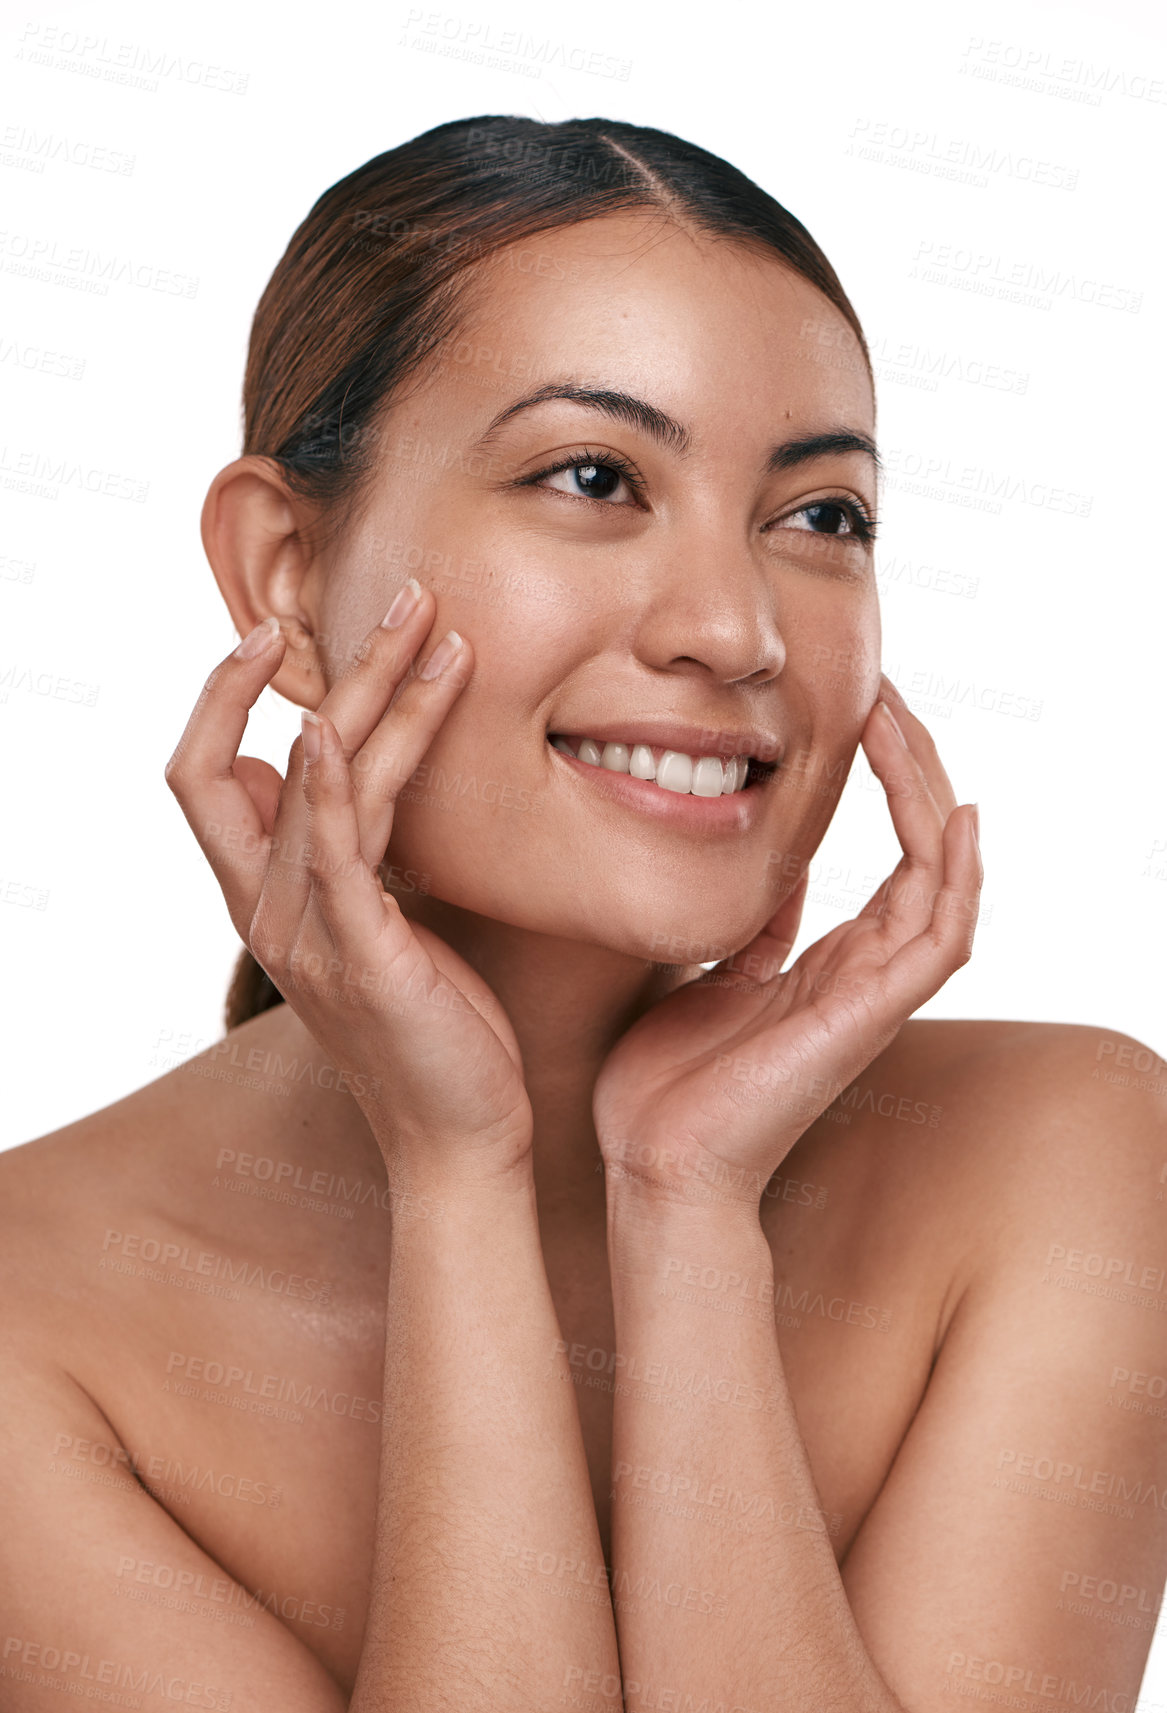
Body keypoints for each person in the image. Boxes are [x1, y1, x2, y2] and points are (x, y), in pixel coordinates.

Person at [2, 114, 1163, 1712]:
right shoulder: (26, 1321)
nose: (734, 627)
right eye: (595, 476)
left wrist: (686, 1208)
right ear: (283, 568)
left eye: (820, 514)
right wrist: (455, 1176)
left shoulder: (1070, 1153)